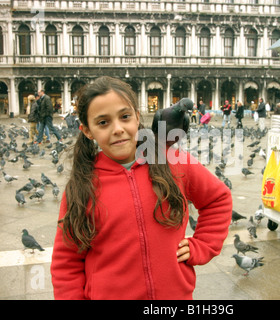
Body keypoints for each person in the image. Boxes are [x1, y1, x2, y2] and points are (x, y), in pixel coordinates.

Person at [50, 76, 232, 300]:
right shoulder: (81, 184)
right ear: (87, 131)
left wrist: (202, 245)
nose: (117, 129)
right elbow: (66, 262)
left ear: (137, 117)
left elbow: (218, 199)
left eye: (125, 116)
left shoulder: (174, 161)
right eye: (103, 122)